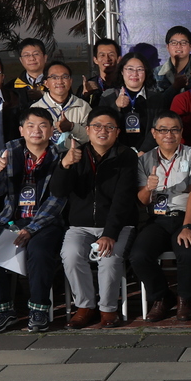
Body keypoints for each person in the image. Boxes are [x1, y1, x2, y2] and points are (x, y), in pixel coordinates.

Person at [0, 108, 65, 332]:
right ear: (21, 130)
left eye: (43, 125)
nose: (37, 130)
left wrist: (32, 229)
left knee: (40, 252)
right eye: (31, 126)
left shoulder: (60, 156)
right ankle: (2, 311)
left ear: (52, 131)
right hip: (12, 220)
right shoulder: (10, 151)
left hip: (45, 221)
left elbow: (58, 199)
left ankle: (39, 310)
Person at [50, 109, 139, 329]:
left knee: (109, 258)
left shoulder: (126, 155)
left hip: (118, 225)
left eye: (109, 127)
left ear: (117, 132)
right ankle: (85, 307)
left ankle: (108, 310)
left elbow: (123, 198)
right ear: (87, 130)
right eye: (97, 126)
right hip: (80, 226)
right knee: (70, 255)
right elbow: (58, 191)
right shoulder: (75, 154)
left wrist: (110, 233)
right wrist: (65, 165)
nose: (103, 131)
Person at [128, 112, 191, 322]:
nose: (169, 134)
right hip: (157, 218)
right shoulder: (144, 159)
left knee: (188, 250)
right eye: (163, 130)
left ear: (181, 132)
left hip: (188, 216)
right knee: (139, 255)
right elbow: (143, 200)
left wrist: (188, 225)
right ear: (154, 133)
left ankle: (185, 300)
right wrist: (148, 187)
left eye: (174, 129)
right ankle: (162, 297)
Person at [104, 55, 162, 152]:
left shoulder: (156, 98)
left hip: (148, 154)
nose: (135, 74)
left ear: (146, 72)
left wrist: (144, 151)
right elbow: (103, 128)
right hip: (116, 154)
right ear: (122, 71)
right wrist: (116, 107)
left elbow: (159, 127)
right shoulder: (108, 97)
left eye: (140, 69)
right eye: (130, 69)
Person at [29, 61, 90, 148]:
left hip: (76, 158)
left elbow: (90, 138)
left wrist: (72, 127)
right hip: (47, 160)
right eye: (54, 77)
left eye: (65, 77)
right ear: (46, 83)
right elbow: (32, 140)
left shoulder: (83, 106)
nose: (60, 81)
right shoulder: (36, 108)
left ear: (70, 81)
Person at [154, 25, 191, 93]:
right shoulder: (156, 73)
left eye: (183, 43)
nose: (178, 46)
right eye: (174, 43)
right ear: (167, 47)